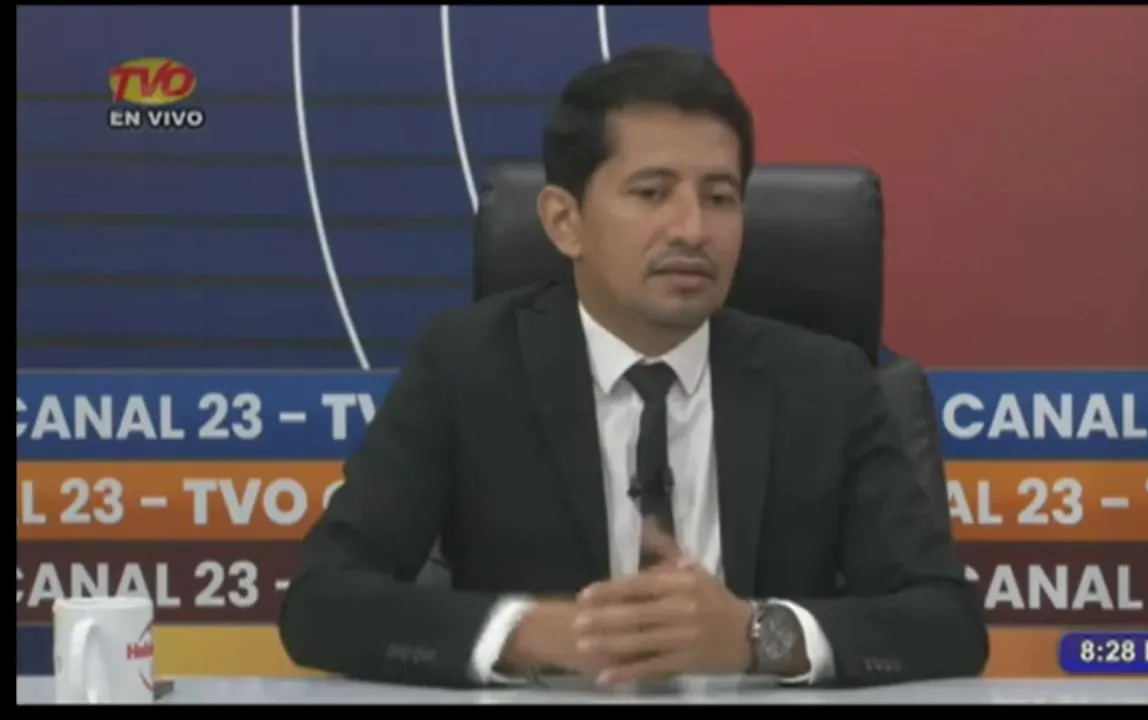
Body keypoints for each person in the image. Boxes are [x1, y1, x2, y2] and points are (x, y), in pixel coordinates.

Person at [278, 44, 988, 689]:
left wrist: (756, 636)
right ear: (565, 222)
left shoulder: (826, 383)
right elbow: (322, 603)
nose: (693, 230)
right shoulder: (466, 366)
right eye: (651, 193)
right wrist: (537, 634)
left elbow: (947, 622)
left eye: (720, 197)